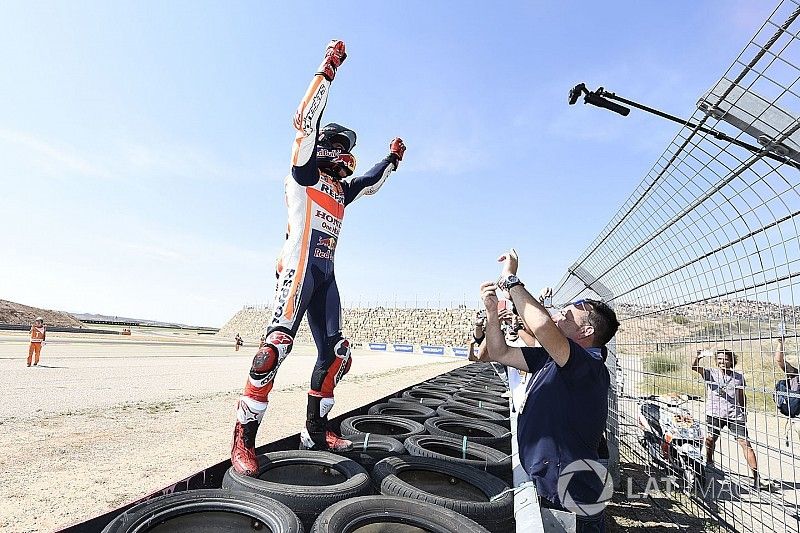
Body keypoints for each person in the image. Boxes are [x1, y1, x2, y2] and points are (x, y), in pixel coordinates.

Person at [230, 39, 407, 476]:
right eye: (342, 145)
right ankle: (243, 439)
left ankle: (316, 427)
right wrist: (327, 70)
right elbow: (305, 122)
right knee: (272, 351)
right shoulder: (304, 172)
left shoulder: (342, 191)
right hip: (297, 270)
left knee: (338, 353)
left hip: (326, 275)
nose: (348, 154)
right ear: (327, 147)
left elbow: (371, 180)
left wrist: (394, 158)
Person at [477, 249, 619, 532]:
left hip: (571, 498)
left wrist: (511, 279)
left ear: (586, 331)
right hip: (554, 490)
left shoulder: (588, 366)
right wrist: (492, 314)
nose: (559, 315)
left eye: (568, 315)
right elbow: (499, 352)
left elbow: (540, 324)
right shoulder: (555, 358)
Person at [690, 348, 770, 490]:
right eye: (720, 358)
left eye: (726, 359)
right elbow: (695, 368)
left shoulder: (738, 377)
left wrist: (743, 411)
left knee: (746, 443)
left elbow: (741, 395)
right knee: (710, 439)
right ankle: (709, 462)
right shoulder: (711, 373)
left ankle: (757, 477)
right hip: (714, 413)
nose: (722, 361)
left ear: (732, 361)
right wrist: (699, 357)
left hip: (734, 415)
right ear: (716, 360)